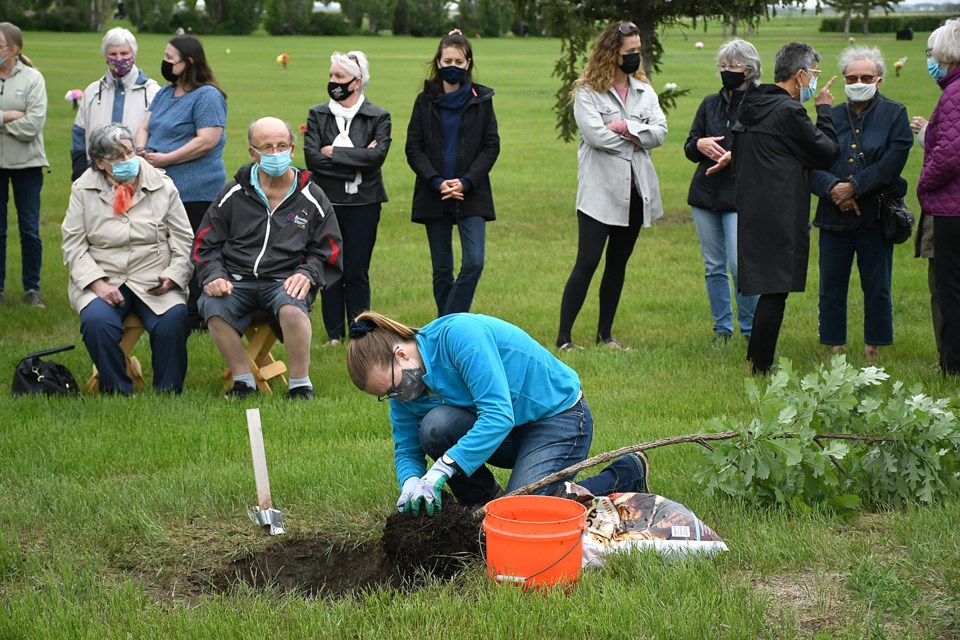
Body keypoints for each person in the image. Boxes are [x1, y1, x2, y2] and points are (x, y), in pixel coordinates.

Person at [345, 311, 651, 517]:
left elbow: (498, 415)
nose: (396, 397)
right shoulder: (403, 386)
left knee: (521, 515)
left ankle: (625, 474)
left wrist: (442, 469)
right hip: (508, 435)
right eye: (386, 396)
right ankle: (483, 499)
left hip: (558, 420)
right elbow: (407, 448)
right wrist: (410, 481)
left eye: (393, 388)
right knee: (434, 427)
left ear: (400, 355)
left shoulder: (458, 336)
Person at [192, 117, 343, 399]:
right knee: (212, 306)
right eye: (267, 148)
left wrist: (308, 274)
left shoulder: (312, 195)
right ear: (253, 153)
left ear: (292, 150)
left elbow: (329, 248)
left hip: (285, 281)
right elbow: (204, 244)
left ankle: (300, 384)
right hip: (236, 281)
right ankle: (243, 380)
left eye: (282, 146)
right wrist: (214, 275)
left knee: (292, 309)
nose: (276, 154)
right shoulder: (233, 193)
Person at [556, 22, 667, 351]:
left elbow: (660, 132)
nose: (636, 57)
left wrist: (624, 127)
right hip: (598, 194)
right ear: (611, 54)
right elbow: (595, 136)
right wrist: (637, 137)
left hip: (635, 191)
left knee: (618, 263)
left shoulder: (645, 91)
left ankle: (605, 336)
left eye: (638, 51)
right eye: (629, 52)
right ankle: (564, 338)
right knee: (587, 262)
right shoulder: (587, 92)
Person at [730, 42, 839, 374]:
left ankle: (754, 356)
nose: (815, 83)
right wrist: (825, 111)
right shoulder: (790, 111)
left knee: (766, 288)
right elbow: (826, 153)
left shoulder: (751, 105)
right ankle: (762, 367)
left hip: (752, 208)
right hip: (782, 210)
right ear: (800, 75)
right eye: (815, 75)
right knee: (776, 291)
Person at [61, 124, 193, 395]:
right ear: (99, 163)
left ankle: (169, 392)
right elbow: (73, 244)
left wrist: (173, 276)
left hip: (154, 276)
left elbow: (183, 239)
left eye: (130, 152)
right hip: (105, 276)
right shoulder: (83, 189)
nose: (127, 161)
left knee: (174, 318)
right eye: (117, 158)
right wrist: (97, 284)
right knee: (97, 321)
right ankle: (117, 390)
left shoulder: (163, 185)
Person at [810, 47, 912, 360]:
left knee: (877, 284)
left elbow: (892, 163)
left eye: (865, 77)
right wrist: (833, 191)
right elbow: (811, 162)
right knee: (831, 286)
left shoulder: (895, 114)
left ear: (879, 80)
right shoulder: (831, 114)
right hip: (832, 214)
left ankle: (874, 346)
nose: (858, 82)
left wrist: (853, 188)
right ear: (843, 80)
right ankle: (834, 344)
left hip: (876, 213)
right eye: (851, 77)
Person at [405, 29, 500, 317]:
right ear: (438, 61)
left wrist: (466, 181)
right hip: (434, 192)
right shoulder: (424, 100)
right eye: (448, 60)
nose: (453, 67)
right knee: (442, 268)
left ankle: (449, 323)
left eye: (459, 62)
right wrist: (436, 182)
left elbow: (491, 145)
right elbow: (414, 148)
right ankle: (450, 330)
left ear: (468, 63)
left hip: (471, 192)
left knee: (474, 262)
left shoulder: (482, 99)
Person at [136, 35, 227, 330]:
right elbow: (144, 126)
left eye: (170, 58)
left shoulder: (208, 96)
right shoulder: (164, 93)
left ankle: (197, 313)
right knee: (165, 246)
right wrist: (140, 151)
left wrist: (166, 159)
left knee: (195, 249)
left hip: (196, 189)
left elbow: (207, 140)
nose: (165, 62)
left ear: (188, 63)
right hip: (159, 185)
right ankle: (166, 303)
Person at [304, 51, 391, 346]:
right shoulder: (318, 114)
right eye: (331, 76)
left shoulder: (378, 116)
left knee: (356, 270)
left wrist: (334, 152)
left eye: (339, 77)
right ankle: (334, 335)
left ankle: (360, 332)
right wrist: (358, 157)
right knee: (330, 268)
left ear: (358, 81)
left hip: (364, 203)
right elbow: (313, 160)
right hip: (326, 203)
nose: (333, 82)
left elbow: (376, 158)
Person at [684, 39, 761, 344]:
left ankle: (751, 328)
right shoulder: (709, 104)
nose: (727, 71)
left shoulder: (760, 104)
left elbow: (766, 149)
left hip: (739, 196)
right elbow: (690, 148)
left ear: (750, 69)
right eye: (723, 66)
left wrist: (737, 155)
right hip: (704, 195)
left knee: (739, 265)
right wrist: (699, 144)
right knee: (713, 265)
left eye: (733, 66)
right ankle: (722, 329)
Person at [917, 19, 960, 374]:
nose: (931, 59)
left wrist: (924, 182)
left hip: (952, 209)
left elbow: (949, 154)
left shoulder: (953, 94)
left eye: (933, 52)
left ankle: (953, 365)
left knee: (951, 287)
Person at [70, 28, 160, 181]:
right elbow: (79, 133)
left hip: (139, 176)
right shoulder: (92, 92)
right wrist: (80, 171)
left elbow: (160, 135)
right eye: (113, 54)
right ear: (105, 56)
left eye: (124, 53)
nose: (119, 59)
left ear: (134, 54)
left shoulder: (152, 92)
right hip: (97, 176)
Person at [0, 23, 47, 308]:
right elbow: (21, 121)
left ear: (14, 49)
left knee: (29, 228)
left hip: (27, 165)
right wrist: (8, 116)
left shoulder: (32, 78)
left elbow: (32, 125)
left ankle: (32, 289)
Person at [911, 114, 943, 356]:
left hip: (947, 212)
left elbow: (948, 156)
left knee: (943, 288)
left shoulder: (953, 96)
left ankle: (949, 358)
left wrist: (926, 134)